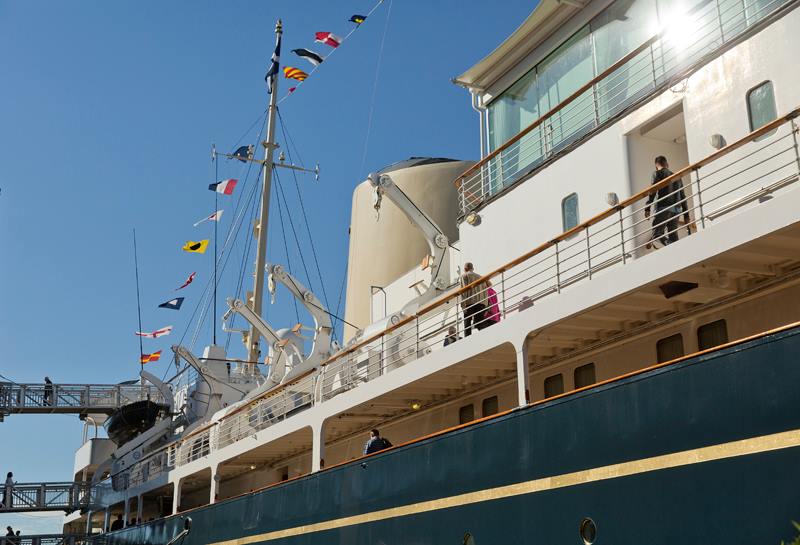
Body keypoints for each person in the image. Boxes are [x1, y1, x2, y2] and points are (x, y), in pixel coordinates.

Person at [644, 156, 694, 248]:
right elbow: (683, 197)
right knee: (673, 235)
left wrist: (647, 208)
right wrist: (686, 215)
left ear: (656, 166)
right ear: (667, 164)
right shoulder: (677, 177)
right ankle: (676, 250)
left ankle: (671, 245)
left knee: (656, 235)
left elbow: (653, 191)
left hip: (664, 207)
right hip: (677, 210)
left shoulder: (657, 173)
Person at [460, 263, 488, 337]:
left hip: (470, 301)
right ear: (473, 268)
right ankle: (485, 336)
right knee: (480, 322)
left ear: (465, 269)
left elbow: (463, 291)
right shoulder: (481, 277)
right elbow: (485, 291)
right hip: (481, 302)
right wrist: (485, 305)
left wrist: (463, 305)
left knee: (467, 321)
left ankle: (467, 339)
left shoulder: (464, 276)